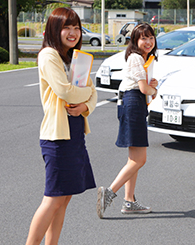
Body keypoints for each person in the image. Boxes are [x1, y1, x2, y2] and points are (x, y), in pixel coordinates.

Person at [26, 7, 97, 245]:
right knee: (53, 198)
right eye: (67, 27)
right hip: (56, 136)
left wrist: (84, 107)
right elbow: (64, 91)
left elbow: (93, 97)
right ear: (55, 29)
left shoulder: (75, 57)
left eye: (77, 27)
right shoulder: (49, 55)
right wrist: (87, 94)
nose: (73, 32)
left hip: (75, 132)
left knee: (64, 198)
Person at [96, 23, 158, 218]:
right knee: (140, 159)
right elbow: (143, 89)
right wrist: (153, 89)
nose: (148, 42)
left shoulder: (144, 59)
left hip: (132, 103)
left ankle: (129, 201)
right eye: (143, 38)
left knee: (134, 159)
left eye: (151, 38)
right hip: (132, 103)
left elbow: (144, 86)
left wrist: (151, 86)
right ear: (135, 41)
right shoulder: (136, 58)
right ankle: (110, 192)